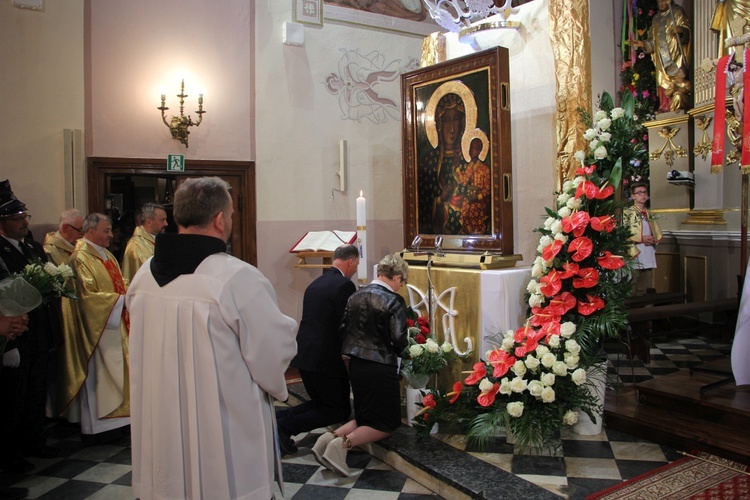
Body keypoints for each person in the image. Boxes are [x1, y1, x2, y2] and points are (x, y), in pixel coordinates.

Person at [126, 177, 297, 500]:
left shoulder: (144, 275)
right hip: (223, 435)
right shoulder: (236, 278)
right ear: (220, 220)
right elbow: (274, 350)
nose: (230, 221)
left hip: (160, 425)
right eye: (231, 214)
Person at [312, 253, 409, 477]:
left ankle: (327, 439)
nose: (401, 286)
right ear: (395, 277)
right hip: (380, 366)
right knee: (387, 422)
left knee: (366, 415)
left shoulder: (355, 295)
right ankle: (343, 445)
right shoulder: (393, 300)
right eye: (402, 281)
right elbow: (398, 339)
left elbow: (343, 328)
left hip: (356, 364)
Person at [0, 180, 61, 474]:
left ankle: (36, 440)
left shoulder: (34, 247)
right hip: (14, 334)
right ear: (3, 223)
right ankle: (12, 453)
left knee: (36, 389)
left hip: (37, 331)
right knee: (15, 396)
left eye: (26, 217)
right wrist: (9, 345)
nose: (24, 222)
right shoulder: (1, 252)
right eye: (17, 218)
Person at [277, 244, 360, 454]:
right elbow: (346, 324)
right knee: (336, 409)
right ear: (350, 261)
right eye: (357, 264)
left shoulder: (316, 284)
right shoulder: (343, 286)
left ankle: (278, 419)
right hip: (325, 359)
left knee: (322, 403)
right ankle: (284, 427)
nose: (356, 269)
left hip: (305, 355)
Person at [60, 213, 130, 441]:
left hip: (114, 321)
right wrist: (121, 300)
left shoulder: (105, 253)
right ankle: (98, 430)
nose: (111, 235)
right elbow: (86, 297)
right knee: (100, 378)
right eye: (106, 231)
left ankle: (118, 422)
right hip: (97, 326)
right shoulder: (80, 257)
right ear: (91, 232)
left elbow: (119, 280)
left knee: (119, 373)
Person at [418, 92, 468, 234]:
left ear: (463, 123)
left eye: (456, 119)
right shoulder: (428, 162)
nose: (452, 128)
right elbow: (423, 208)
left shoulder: (468, 160)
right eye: (447, 120)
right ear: (439, 124)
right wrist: (440, 200)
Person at [630, 0, 691, 113]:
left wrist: (681, 30)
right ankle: (664, 106)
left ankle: (677, 104)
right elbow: (653, 40)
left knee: (677, 77)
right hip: (661, 57)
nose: (660, 4)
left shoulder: (677, 12)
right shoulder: (656, 18)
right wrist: (643, 44)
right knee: (662, 79)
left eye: (663, 1)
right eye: (658, 2)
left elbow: (687, 29)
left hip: (674, 54)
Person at [624, 182, 663, 296]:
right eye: (639, 192)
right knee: (633, 284)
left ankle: (642, 309)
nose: (643, 195)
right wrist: (641, 239)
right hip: (635, 250)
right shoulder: (627, 212)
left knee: (644, 285)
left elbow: (655, 230)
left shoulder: (648, 213)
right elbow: (624, 233)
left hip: (648, 250)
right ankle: (632, 310)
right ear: (633, 196)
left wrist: (654, 239)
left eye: (645, 192)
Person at [121, 202, 168, 282]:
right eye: (162, 220)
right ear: (149, 222)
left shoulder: (158, 240)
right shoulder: (135, 244)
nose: (166, 224)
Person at [456, 137, 491, 235]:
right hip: (470, 198)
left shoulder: (484, 168)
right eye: (470, 148)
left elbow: (487, 189)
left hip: (480, 200)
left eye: (474, 148)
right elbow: (463, 181)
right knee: (465, 208)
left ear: (479, 151)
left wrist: (477, 197)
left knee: (473, 210)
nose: (471, 151)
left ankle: (476, 234)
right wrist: (457, 169)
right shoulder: (470, 166)